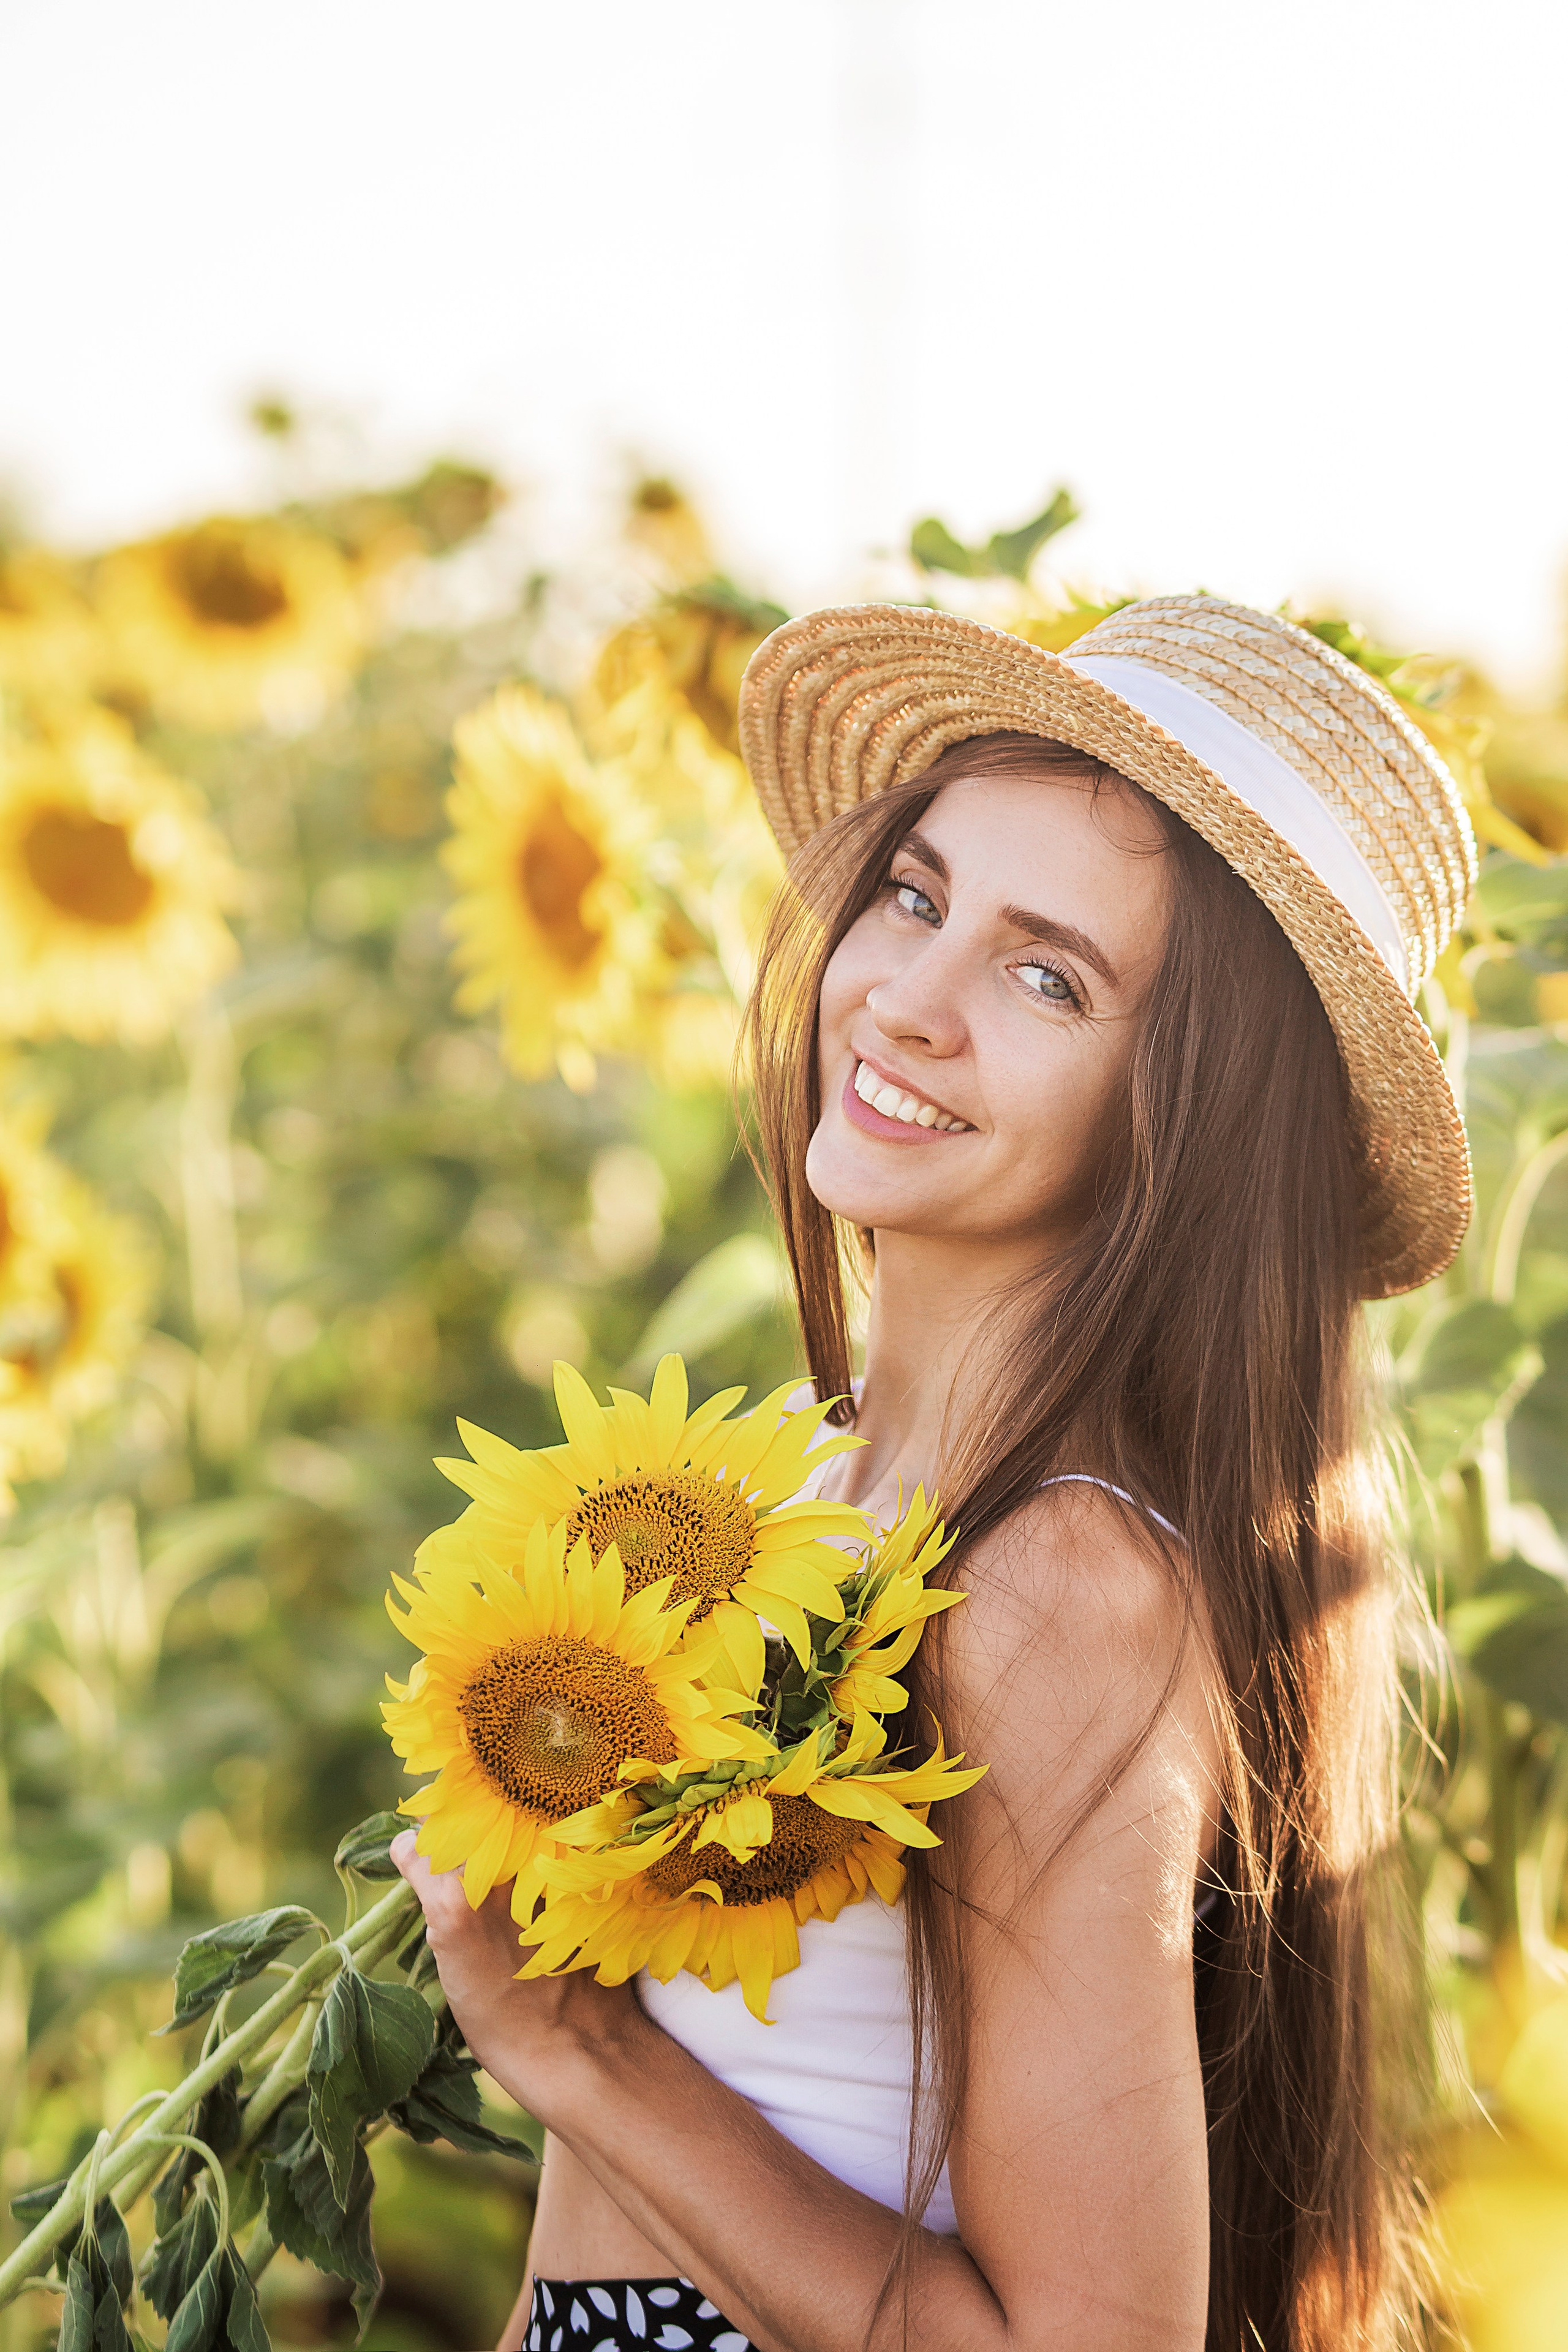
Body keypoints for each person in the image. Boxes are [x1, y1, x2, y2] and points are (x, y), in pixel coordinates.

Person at [393, 597, 1474, 2352]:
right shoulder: (807, 1486)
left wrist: (567, 2046)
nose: (906, 998)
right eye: (918, 894)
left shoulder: (1057, 1586)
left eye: (1047, 976)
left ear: (1184, 1123)